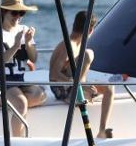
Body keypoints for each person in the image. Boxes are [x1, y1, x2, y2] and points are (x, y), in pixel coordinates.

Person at [0, 0, 47, 136]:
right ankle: (17, 142)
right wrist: (16, 45)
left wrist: (28, 43)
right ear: (4, 12)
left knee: (41, 95)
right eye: (14, 13)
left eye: (21, 13)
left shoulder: (24, 29)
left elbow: (33, 58)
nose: (18, 17)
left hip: (18, 81)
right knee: (21, 103)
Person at [48, 10, 114, 138]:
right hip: (61, 88)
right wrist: (80, 86)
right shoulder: (70, 45)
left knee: (109, 89)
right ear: (90, 30)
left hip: (74, 85)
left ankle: (102, 130)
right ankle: (80, 92)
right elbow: (54, 74)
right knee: (88, 54)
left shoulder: (78, 44)